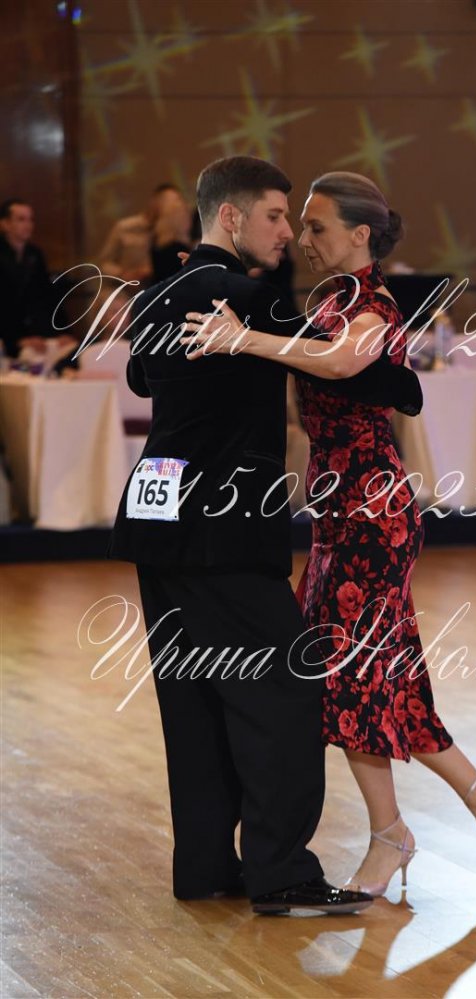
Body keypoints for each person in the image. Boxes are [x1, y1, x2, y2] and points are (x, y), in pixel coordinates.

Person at [182, 171, 476, 897]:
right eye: (300, 225)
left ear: (360, 234)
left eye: (316, 227)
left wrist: (243, 337)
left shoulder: (371, 303)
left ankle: (392, 834)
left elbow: (347, 360)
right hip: (338, 511)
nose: (303, 239)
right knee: (383, 679)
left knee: (347, 674)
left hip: (373, 514)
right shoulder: (331, 300)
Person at [108, 157, 374, 915]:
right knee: (287, 687)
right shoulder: (249, 300)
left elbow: (141, 380)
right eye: (275, 216)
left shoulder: (156, 294)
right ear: (230, 217)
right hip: (222, 523)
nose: (287, 232)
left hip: (156, 514)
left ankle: (204, 866)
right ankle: (281, 871)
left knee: (192, 699)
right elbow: (343, 365)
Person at [97, 184, 192, 285]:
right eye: (168, 201)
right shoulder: (126, 227)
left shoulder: (175, 236)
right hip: (123, 288)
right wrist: (123, 274)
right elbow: (104, 263)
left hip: (156, 287)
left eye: (178, 201)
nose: (177, 206)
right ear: (154, 202)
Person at [0, 199, 57, 358]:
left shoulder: (35, 254)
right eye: (21, 219)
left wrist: (61, 332)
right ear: (5, 224)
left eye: (30, 220)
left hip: (35, 332)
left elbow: (46, 295)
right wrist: (15, 340)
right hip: (7, 336)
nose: (28, 225)